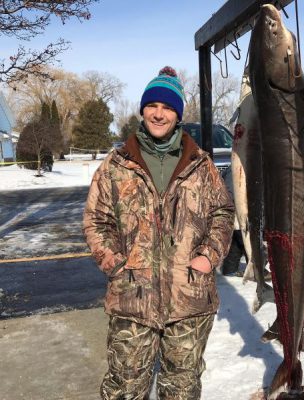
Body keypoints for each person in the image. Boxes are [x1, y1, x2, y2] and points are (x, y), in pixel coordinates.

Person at [83, 66, 234, 399]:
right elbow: (96, 220)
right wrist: (117, 265)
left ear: (178, 114)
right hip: (131, 300)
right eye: (153, 105)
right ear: (143, 110)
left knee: (181, 387)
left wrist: (208, 257)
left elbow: (222, 213)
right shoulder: (117, 164)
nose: (159, 113)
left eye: (167, 107)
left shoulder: (200, 164)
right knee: (124, 388)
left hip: (189, 300)